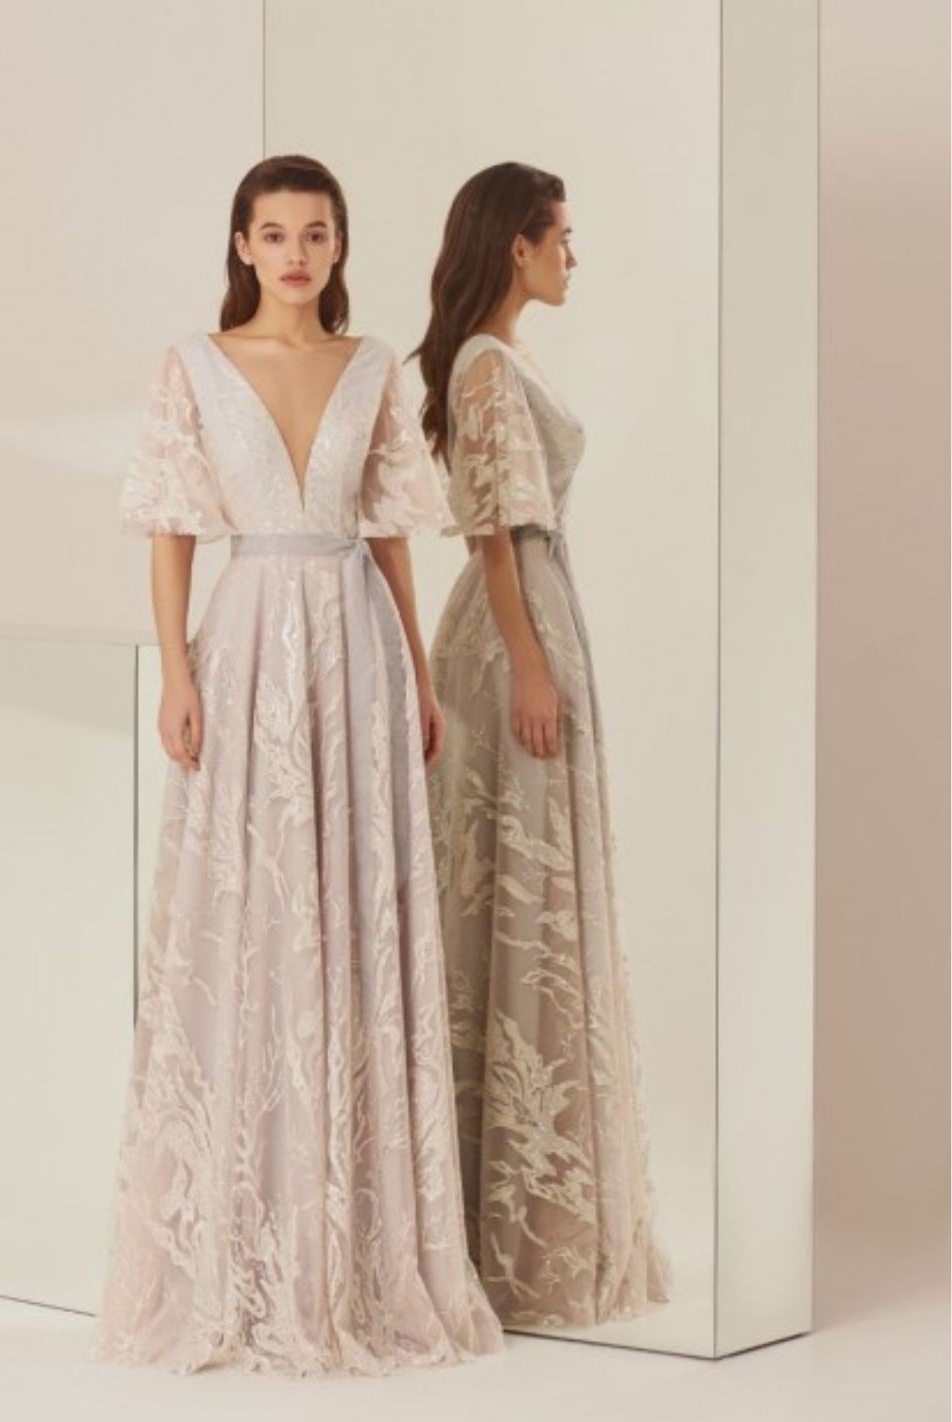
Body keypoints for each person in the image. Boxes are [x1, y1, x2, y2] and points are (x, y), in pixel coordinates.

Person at [92, 154, 505, 1378]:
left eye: (314, 233)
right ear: (241, 243)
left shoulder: (371, 365)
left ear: (337, 246)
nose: (294, 254)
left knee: (356, 907)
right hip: (247, 644)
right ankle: (246, 1234)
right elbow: (171, 533)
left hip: (356, 647)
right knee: (252, 911)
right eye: (272, 233)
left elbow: (389, 534)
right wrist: (174, 672)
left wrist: (418, 676)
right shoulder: (194, 364)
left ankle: (362, 1242)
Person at [414, 162, 673, 1329]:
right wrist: (526, 664)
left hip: (536, 612)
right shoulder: (482, 364)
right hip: (512, 626)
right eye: (560, 236)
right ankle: (507, 1227)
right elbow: (493, 533)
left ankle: (521, 1209)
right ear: (514, 246)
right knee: (517, 892)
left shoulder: (497, 358)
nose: (573, 256)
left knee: (528, 892)